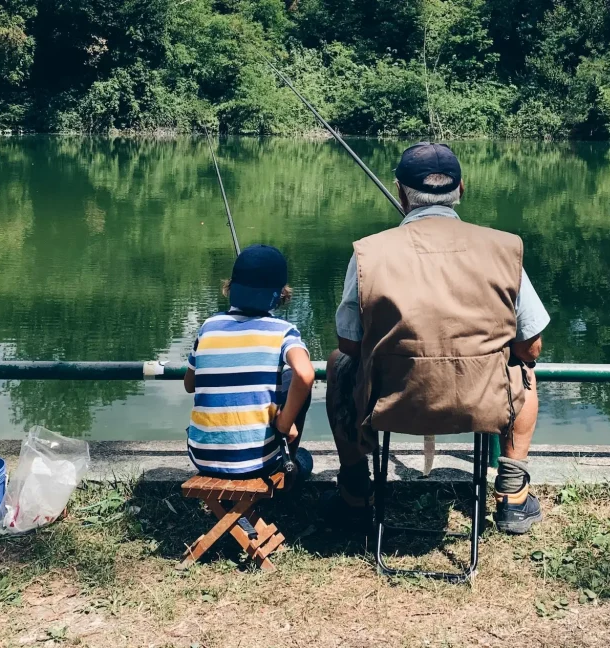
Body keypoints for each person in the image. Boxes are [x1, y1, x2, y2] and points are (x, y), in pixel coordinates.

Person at [325, 142, 550, 534]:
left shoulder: (368, 254)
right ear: (462, 189)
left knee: (338, 365)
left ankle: (356, 491)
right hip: (483, 404)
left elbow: (349, 345)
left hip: (390, 404)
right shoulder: (503, 248)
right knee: (525, 372)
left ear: (400, 192)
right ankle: (513, 495)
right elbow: (530, 346)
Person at [184, 244, 315, 482]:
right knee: (306, 459)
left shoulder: (208, 327)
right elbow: (305, 374)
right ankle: (289, 465)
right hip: (257, 464)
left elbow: (189, 385)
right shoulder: (284, 331)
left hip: (202, 457)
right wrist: (285, 424)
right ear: (280, 294)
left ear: (231, 287)